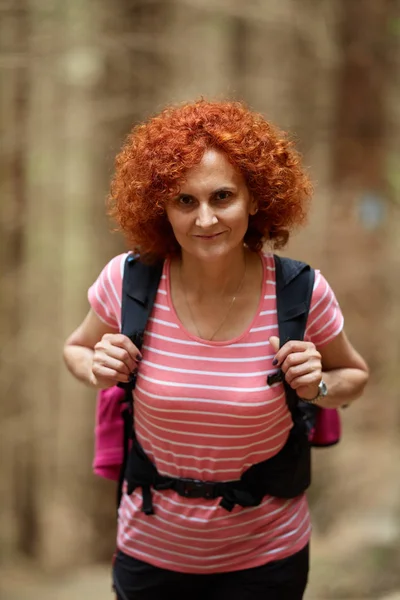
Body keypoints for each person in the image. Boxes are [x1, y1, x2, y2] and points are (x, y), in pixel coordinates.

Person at [63, 99, 369, 600]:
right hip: (149, 552)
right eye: (185, 201)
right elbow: (75, 349)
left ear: (254, 198)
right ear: (160, 206)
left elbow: (352, 377)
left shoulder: (300, 293)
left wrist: (315, 383)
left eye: (222, 196)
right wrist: (95, 368)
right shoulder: (127, 281)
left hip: (268, 556)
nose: (204, 219)